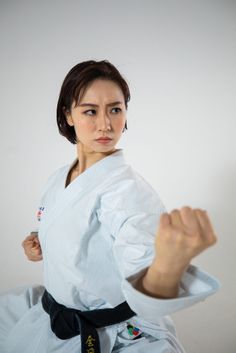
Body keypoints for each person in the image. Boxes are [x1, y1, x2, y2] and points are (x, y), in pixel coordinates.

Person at [0, 60, 220, 353]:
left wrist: (167, 266)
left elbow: (143, 275)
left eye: (115, 109)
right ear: (68, 115)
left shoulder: (128, 193)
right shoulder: (59, 177)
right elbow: (62, 224)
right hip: (52, 315)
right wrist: (39, 241)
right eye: (90, 111)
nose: (106, 124)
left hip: (109, 331)